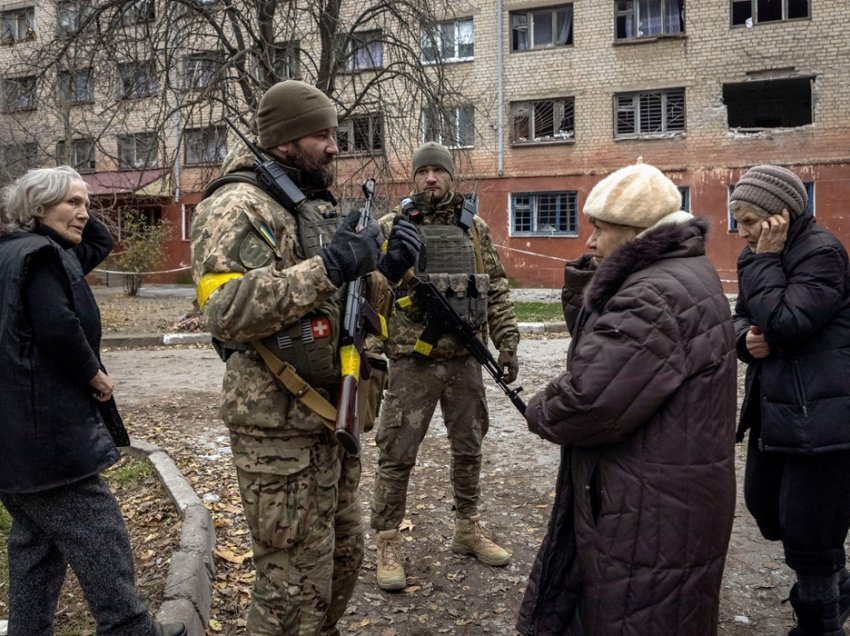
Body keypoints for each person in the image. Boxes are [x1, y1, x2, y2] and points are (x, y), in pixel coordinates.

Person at [190, 79, 418, 634]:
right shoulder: (236, 204)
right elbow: (225, 311)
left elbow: (344, 307)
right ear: (286, 141)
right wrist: (330, 267)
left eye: (335, 133)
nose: (335, 147)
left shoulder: (305, 204)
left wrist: (384, 273)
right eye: (323, 134)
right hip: (276, 431)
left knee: (340, 564)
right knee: (290, 586)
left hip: (327, 421)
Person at [516, 161, 738, 635]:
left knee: (638, 615)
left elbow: (589, 399)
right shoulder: (683, 272)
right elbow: (619, 358)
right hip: (671, 494)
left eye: (600, 229)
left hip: (650, 508)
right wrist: (590, 287)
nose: (590, 242)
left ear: (639, 234)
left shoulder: (653, 295)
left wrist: (539, 408)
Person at [0, 166, 185, 636]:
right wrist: (94, 374)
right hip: (48, 440)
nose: (84, 213)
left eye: (87, 203)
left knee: (35, 547)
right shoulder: (42, 257)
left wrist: (73, 195)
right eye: (72, 203)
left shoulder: (13, 252)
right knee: (98, 532)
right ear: (38, 206)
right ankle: (129, 629)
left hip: (14, 439)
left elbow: (96, 244)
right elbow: (59, 325)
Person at [369, 141, 520, 591]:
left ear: (452, 177)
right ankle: (387, 541)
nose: (431, 178)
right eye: (423, 172)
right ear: (413, 179)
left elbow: (495, 287)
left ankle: (467, 528)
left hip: (465, 360)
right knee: (396, 453)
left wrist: (507, 342)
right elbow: (370, 292)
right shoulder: (391, 227)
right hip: (413, 360)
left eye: (439, 171)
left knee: (469, 446)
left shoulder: (474, 228)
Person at [730, 165, 850, 636]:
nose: (741, 232)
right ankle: (837, 589)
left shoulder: (822, 253)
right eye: (737, 221)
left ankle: (820, 625)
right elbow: (744, 317)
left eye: (748, 221)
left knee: (811, 535)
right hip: (777, 409)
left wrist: (765, 262)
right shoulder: (757, 253)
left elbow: (786, 323)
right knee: (764, 507)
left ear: (779, 216)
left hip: (823, 415)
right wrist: (744, 341)